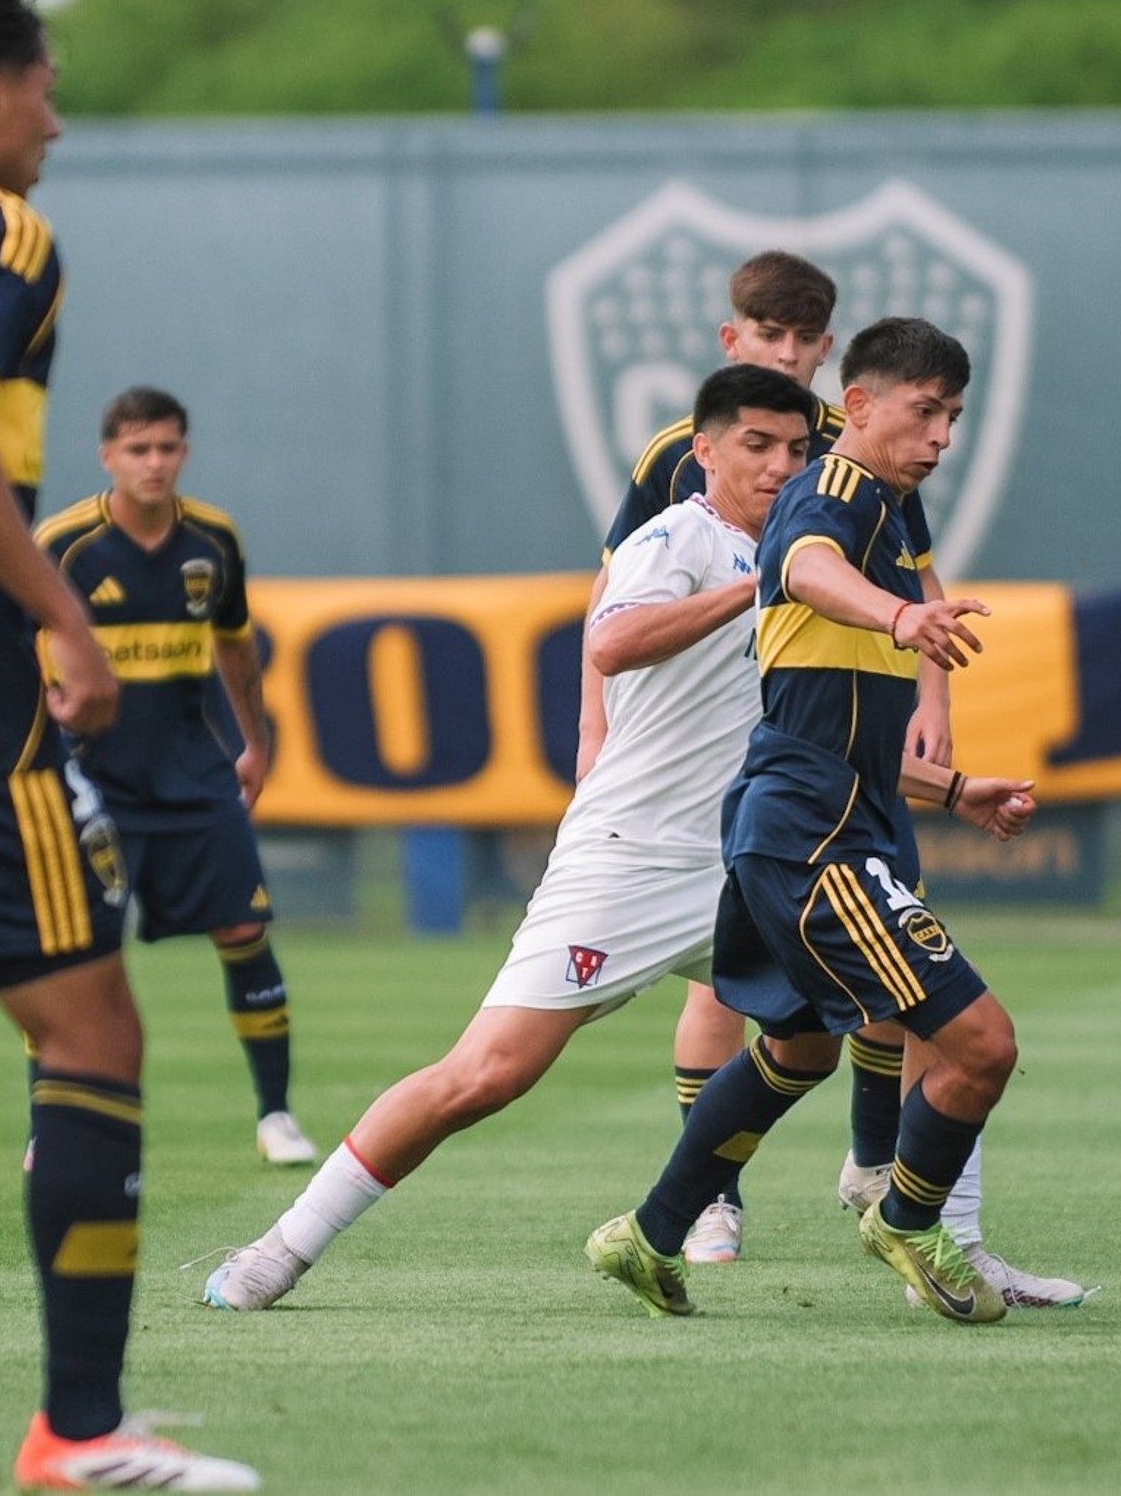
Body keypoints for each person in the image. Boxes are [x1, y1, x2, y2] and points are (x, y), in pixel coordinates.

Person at [200, 366, 1039, 1316]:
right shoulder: (680, 537)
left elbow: (799, 732)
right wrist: (754, 590)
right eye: (756, 446)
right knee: (486, 1075)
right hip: (632, 858)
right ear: (705, 451)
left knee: (875, 1020)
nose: (779, 466)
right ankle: (280, 1250)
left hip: (751, 861)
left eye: (796, 449)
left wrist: (955, 789)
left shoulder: (824, 557)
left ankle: (880, 1222)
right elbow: (613, 643)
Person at [0, 0, 257, 1488]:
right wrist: (66, 617)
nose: (57, 117)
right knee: (91, 1031)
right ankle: (81, 1431)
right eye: (48, 89)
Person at [584, 252, 1081, 1306]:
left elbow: (829, 711)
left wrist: (953, 791)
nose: (942, 437)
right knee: (981, 1044)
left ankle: (650, 1231)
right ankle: (909, 1222)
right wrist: (902, 614)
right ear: (856, 405)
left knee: (801, 1047)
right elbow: (803, 561)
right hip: (814, 839)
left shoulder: (887, 512)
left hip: (807, 818)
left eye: (953, 417)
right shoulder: (835, 487)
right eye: (925, 412)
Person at [34, 388, 316, 1166]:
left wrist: (252, 743)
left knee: (244, 930)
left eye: (166, 448)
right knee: (79, 955)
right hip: (94, 782)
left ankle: (277, 1117)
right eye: (137, 450)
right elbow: (24, 658)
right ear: (108, 457)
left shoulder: (213, 540)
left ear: (183, 453)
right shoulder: (65, 545)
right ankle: (50, 1128)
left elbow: (235, 647)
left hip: (193, 774)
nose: (153, 464)